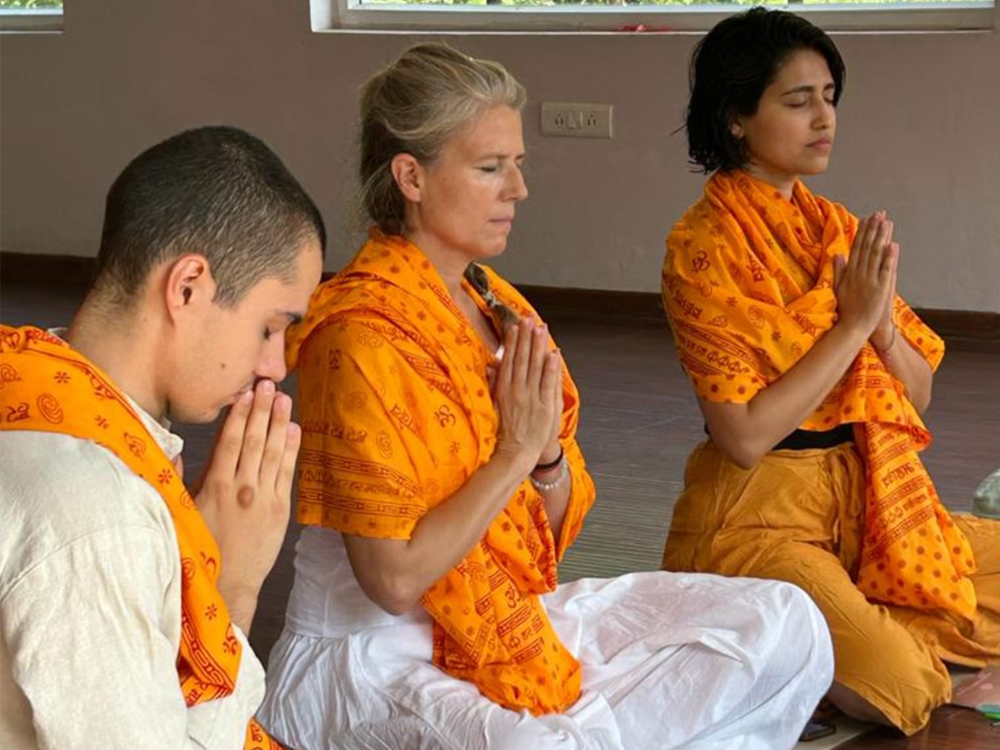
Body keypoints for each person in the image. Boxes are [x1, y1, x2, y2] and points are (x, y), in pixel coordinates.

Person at [258, 43, 833, 750]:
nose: (518, 189)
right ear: (411, 176)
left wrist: (545, 460)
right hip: (372, 659)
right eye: (490, 168)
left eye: (518, 164)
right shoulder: (358, 337)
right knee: (541, 746)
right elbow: (395, 581)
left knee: (787, 624)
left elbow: (548, 534)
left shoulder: (496, 307)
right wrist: (513, 453)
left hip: (507, 620)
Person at [660, 7, 1000, 736]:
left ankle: (824, 643)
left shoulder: (836, 230)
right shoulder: (701, 249)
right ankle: (834, 641)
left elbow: (915, 395)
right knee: (904, 686)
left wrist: (879, 327)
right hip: (759, 515)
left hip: (863, 499)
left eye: (829, 98)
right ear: (736, 118)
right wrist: (850, 327)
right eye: (798, 101)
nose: (824, 119)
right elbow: (743, 437)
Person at [0, 126, 325, 748]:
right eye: (269, 327)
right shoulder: (97, 516)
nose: (275, 366)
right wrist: (233, 587)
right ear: (187, 287)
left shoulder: (28, 382)